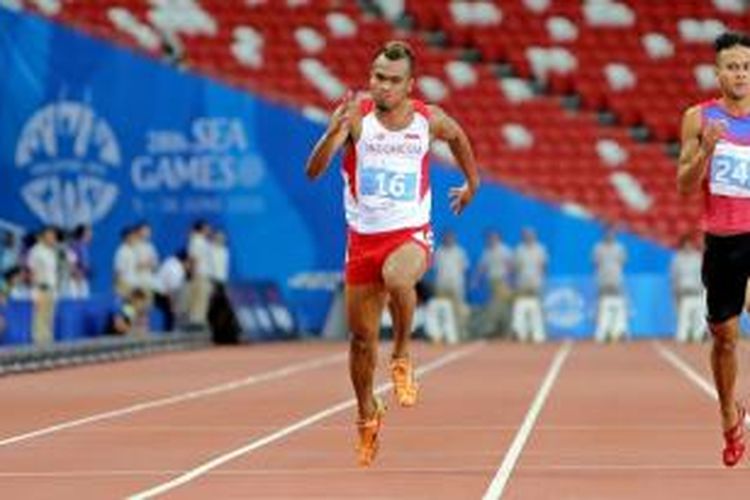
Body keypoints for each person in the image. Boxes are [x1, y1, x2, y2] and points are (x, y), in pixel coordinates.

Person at [305, 40, 479, 467]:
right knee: (361, 342)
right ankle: (367, 414)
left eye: (392, 80)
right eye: (377, 77)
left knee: (400, 279)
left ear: (409, 86)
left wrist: (471, 182)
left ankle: (401, 353)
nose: (381, 86)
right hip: (363, 240)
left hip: (409, 233)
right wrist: (332, 132)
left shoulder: (428, 120)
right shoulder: (356, 120)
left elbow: (458, 137)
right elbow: (312, 172)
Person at [676, 32, 750, 467]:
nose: (740, 74)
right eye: (732, 67)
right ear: (717, 73)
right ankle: (728, 412)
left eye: (745, 66)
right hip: (723, 240)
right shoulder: (698, 118)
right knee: (724, 337)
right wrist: (706, 148)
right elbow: (684, 187)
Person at [511, 227, 547, 343]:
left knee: (536, 310)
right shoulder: (519, 250)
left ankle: (538, 335)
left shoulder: (541, 249)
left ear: (535, 236)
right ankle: (520, 334)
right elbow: (515, 268)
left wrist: (542, 282)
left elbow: (543, 267)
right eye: (526, 235)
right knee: (520, 309)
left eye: (530, 235)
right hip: (522, 284)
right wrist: (515, 282)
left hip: (536, 283)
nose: (528, 237)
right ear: (522, 237)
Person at [592, 227, 628, 342]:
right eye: (607, 233)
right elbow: (595, 264)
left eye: (612, 233)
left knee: (619, 307)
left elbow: (622, 263)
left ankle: (619, 332)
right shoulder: (597, 248)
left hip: (617, 280)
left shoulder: (620, 248)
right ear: (604, 234)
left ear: (615, 234)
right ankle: (601, 333)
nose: (609, 235)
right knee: (603, 308)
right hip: (603, 281)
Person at [433, 230, 470, 339]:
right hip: (441, 285)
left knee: (459, 310)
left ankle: (461, 334)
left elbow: (465, 270)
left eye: (451, 237)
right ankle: (442, 335)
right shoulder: (438, 252)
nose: (448, 239)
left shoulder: (460, 252)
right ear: (443, 238)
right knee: (442, 310)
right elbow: (434, 269)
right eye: (446, 237)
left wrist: (467, 286)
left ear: (454, 239)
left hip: (457, 285)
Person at [26, 227, 59, 345]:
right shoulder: (35, 251)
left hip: (51, 289)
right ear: (44, 236)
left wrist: (55, 290)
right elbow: (31, 272)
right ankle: (38, 348)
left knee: (49, 320)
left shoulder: (52, 252)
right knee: (39, 321)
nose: (53, 238)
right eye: (51, 236)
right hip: (40, 289)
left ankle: (48, 346)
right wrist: (34, 292)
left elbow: (53, 273)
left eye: (54, 236)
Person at [671, 235, 705, 343]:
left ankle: (698, 337)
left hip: (697, 294)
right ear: (682, 245)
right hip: (684, 295)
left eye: (689, 244)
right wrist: (675, 293)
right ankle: (683, 339)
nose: (688, 246)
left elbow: (703, 275)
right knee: (683, 323)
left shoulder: (698, 258)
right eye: (685, 244)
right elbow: (674, 277)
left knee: (698, 322)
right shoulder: (677, 259)